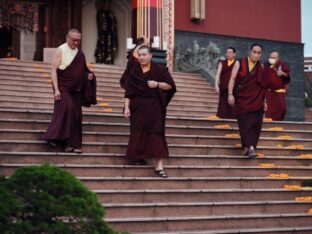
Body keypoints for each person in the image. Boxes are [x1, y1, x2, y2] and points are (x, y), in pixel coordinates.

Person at [120, 39, 176, 178]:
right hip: (137, 107)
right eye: (139, 55)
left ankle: (159, 167)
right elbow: (128, 92)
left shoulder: (160, 70)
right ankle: (140, 157)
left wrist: (157, 84)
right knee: (137, 132)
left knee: (156, 134)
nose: (141, 57)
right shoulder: (133, 71)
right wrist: (126, 108)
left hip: (154, 106)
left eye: (144, 54)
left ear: (150, 56)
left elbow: (170, 86)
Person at [44, 28, 97, 153]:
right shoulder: (60, 50)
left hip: (76, 88)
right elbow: (53, 70)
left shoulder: (80, 53)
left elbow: (83, 70)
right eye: (74, 40)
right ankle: (53, 137)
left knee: (76, 115)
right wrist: (56, 89)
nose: (76, 43)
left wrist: (88, 76)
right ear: (67, 37)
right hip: (62, 86)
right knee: (67, 108)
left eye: (78, 41)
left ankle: (71, 145)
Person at [228, 44, 267, 158]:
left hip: (257, 100)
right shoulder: (240, 62)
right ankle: (248, 146)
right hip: (243, 99)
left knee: (255, 124)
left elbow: (263, 86)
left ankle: (250, 148)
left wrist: (265, 102)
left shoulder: (261, 67)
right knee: (244, 124)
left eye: (259, 53)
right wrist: (230, 94)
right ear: (250, 51)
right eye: (254, 52)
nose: (256, 54)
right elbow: (233, 78)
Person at [264, 51, 291, 121]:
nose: (271, 59)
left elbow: (287, 75)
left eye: (274, 58)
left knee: (282, 108)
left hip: (278, 92)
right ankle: (269, 126)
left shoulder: (282, 65)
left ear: (278, 59)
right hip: (268, 92)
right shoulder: (265, 65)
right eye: (270, 57)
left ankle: (278, 122)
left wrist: (282, 73)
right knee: (268, 110)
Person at [215, 47, 237, 119]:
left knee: (233, 107)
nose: (228, 54)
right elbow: (218, 74)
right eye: (227, 52)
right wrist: (216, 85)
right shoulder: (222, 63)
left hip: (234, 89)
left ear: (234, 54)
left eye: (230, 53)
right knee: (223, 107)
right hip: (223, 88)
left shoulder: (237, 63)